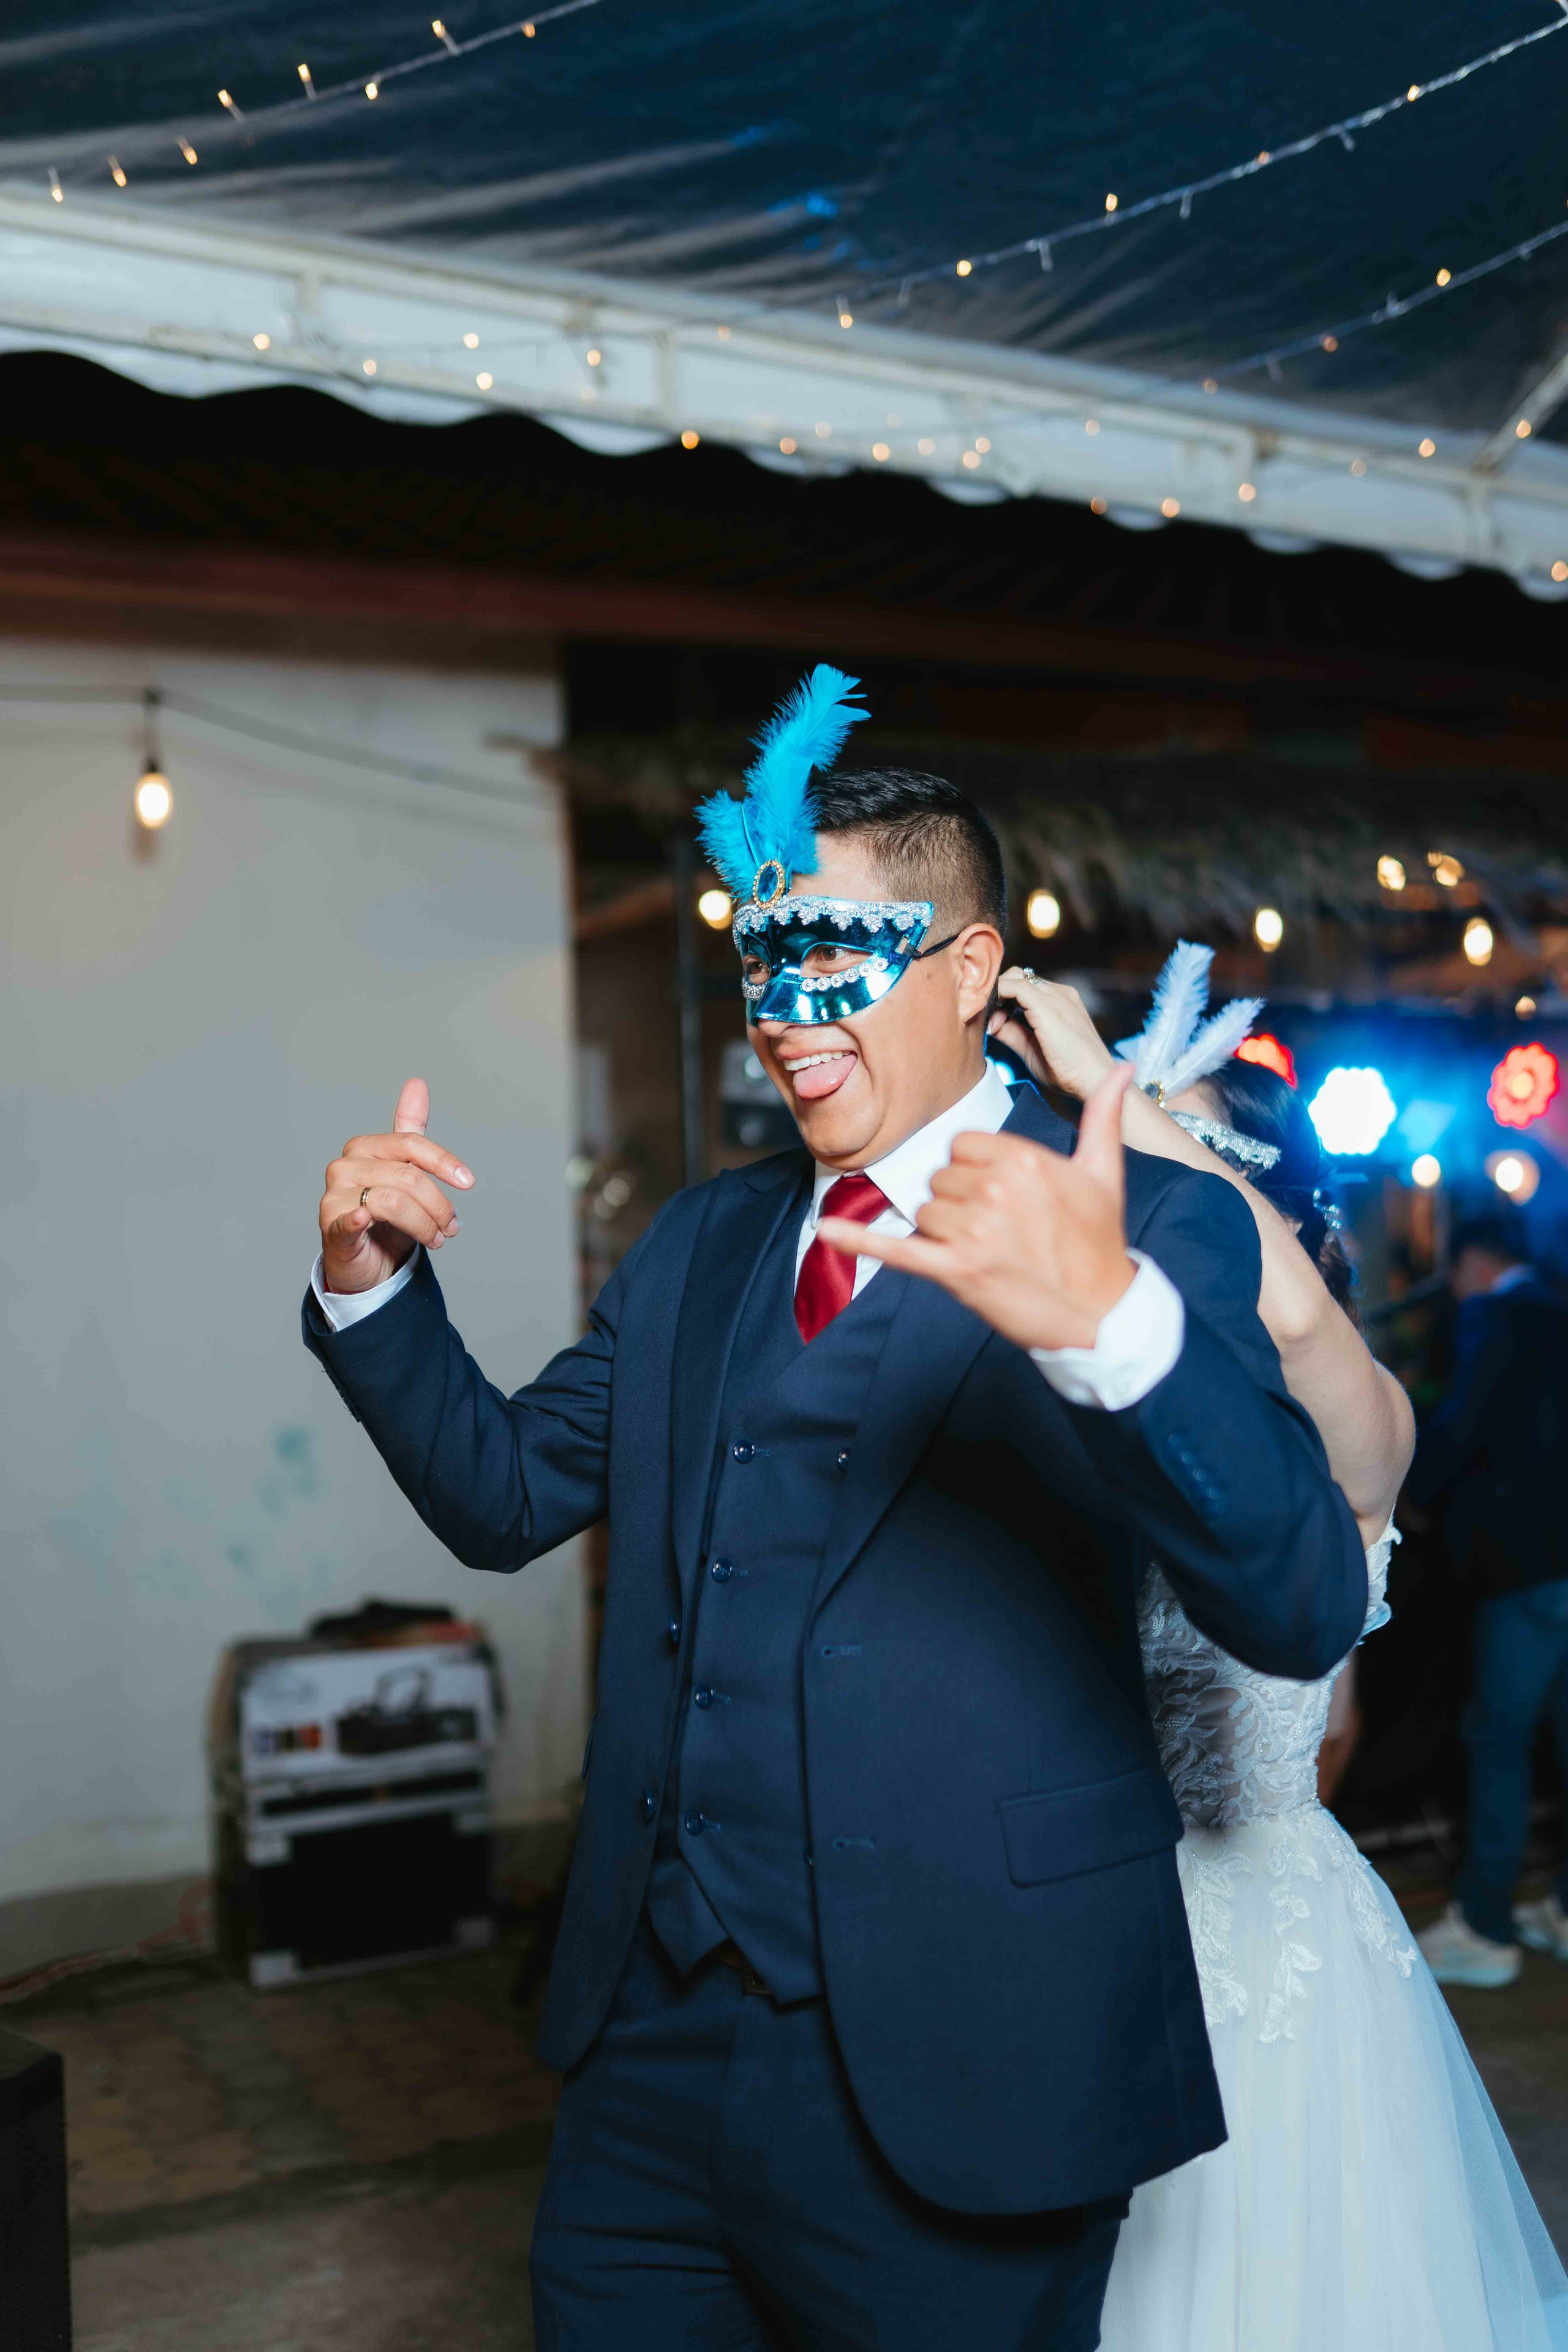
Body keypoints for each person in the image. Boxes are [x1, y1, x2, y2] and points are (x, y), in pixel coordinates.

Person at [303, 669, 1368, 2352]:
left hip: (972, 2061)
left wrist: (1111, 1325)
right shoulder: (703, 1242)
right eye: (759, 956)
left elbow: (1301, 1603)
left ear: (963, 971)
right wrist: (370, 1298)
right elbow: (503, 1498)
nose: (784, 1008)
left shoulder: (1146, 1224)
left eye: (836, 957)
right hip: (653, 2052)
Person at [993, 962, 1568, 2352]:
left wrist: (1125, 1110)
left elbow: (1300, 1322)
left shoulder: (1352, 1423)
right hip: (1082, 1931)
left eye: (1167, 1168)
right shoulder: (1106, 1411)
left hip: (1268, 1951)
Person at [1408, 1215, 1568, 1991]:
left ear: (1472, 1259)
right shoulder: (1559, 1307)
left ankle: (1485, 1925)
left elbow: (1459, 1427)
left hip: (1529, 1563)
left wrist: (1404, 1494)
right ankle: (1562, 1911)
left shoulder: (1497, 1317)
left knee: (1498, 1740)